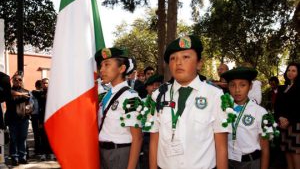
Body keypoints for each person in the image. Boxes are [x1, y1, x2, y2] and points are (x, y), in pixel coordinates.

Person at [149, 35, 229, 169]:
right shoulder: (158, 96)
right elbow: (154, 140)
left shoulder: (215, 95)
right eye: (173, 59)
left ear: (199, 63)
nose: (178, 63)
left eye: (185, 57)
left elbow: (221, 146)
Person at [95, 47, 143, 169]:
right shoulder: (107, 95)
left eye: (107, 65)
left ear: (121, 69)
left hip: (120, 154)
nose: (102, 70)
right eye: (101, 66)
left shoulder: (131, 97)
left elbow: (137, 138)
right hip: (103, 153)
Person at [221, 67, 270, 169]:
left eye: (242, 85)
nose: (237, 90)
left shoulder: (261, 112)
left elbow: (265, 148)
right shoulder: (222, 110)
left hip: (250, 163)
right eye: (232, 85)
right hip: (227, 161)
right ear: (228, 87)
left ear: (250, 86)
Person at [275, 62, 300, 169]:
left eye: (294, 70)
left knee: (295, 154)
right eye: (289, 70)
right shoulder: (281, 88)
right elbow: (277, 106)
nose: (290, 72)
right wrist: (280, 118)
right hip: (283, 125)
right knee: (287, 153)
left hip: (295, 125)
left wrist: (288, 120)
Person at [6, 74, 31, 165]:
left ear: (22, 81)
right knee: (13, 139)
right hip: (12, 119)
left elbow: (29, 103)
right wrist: (22, 95)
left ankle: (22, 157)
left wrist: (29, 109)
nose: (18, 81)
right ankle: (14, 158)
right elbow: (11, 94)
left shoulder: (27, 91)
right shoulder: (8, 91)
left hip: (24, 119)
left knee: (23, 138)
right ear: (12, 81)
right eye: (16, 79)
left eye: (20, 80)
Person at [30, 80, 43, 155]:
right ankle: (39, 149)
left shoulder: (32, 93)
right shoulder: (41, 93)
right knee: (40, 133)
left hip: (35, 115)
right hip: (40, 115)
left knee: (36, 133)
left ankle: (38, 149)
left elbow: (30, 103)